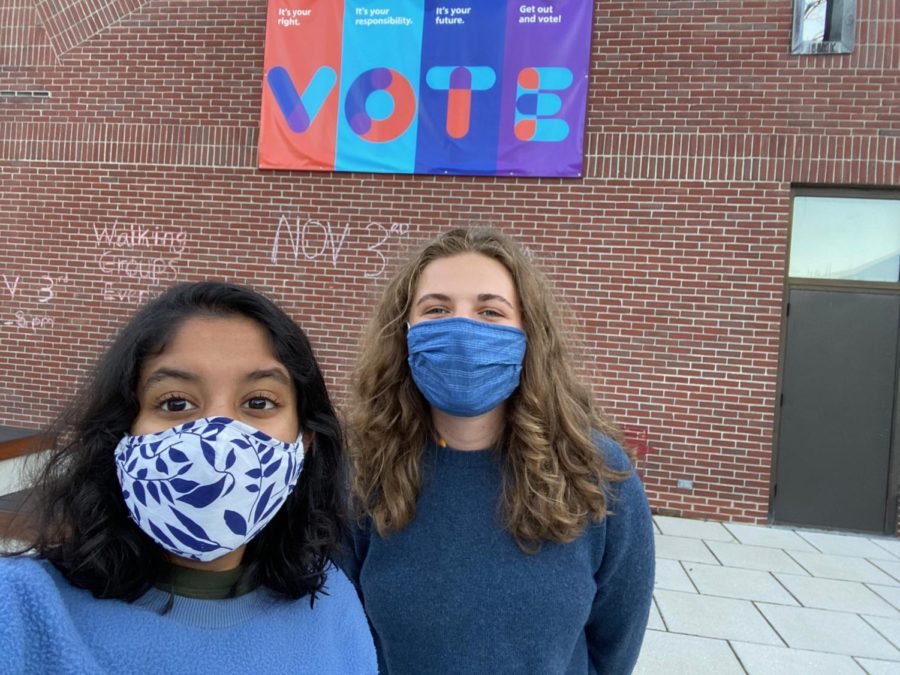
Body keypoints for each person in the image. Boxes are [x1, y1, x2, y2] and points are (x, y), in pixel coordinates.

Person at [0, 282, 376, 674]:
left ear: (305, 442)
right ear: (120, 433)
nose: (218, 437)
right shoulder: (21, 609)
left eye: (259, 402)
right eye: (175, 403)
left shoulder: (331, 606)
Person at [344, 228, 655, 674]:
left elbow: (614, 645)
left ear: (528, 333)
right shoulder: (363, 470)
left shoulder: (596, 473)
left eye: (491, 311)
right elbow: (345, 633)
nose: (463, 329)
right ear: (404, 331)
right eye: (436, 310)